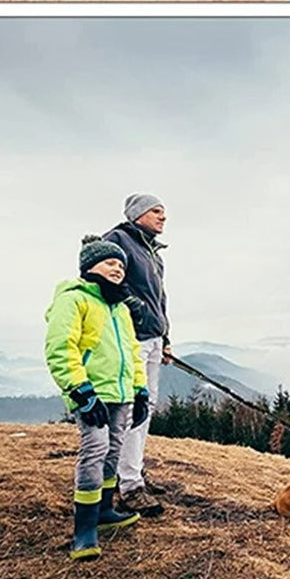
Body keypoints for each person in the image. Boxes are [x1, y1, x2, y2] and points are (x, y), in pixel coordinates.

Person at [45, 235, 148, 560]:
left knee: (113, 451)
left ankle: (104, 510)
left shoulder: (119, 307)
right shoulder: (74, 299)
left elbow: (133, 352)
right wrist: (81, 392)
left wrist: (140, 389)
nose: (118, 269)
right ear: (90, 266)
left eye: (121, 265)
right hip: (92, 393)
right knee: (94, 451)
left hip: (121, 393)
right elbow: (61, 347)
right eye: (110, 263)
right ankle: (84, 530)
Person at [101, 193, 171, 518]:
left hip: (153, 339)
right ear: (138, 214)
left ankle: (132, 473)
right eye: (156, 210)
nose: (163, 217)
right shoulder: (118, 241)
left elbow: (161, 299)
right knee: (132, 409)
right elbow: (109, 282)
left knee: (146, 409)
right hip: (132, 339)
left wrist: (165, 337)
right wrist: (138, 314)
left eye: (163, 211)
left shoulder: (152, 252)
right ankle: (128, 487)